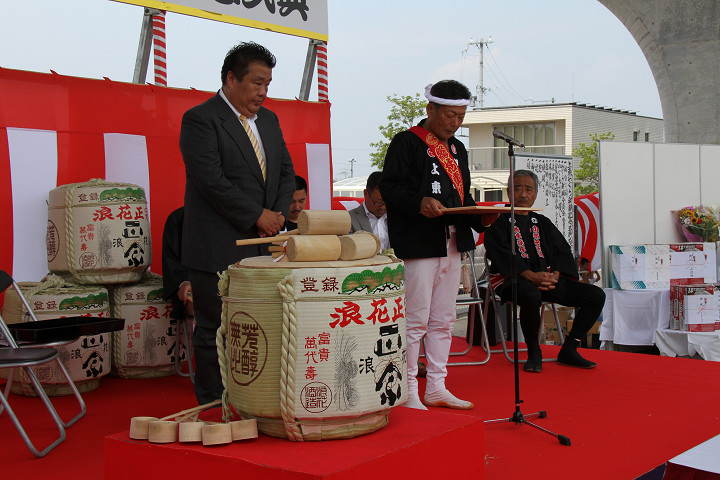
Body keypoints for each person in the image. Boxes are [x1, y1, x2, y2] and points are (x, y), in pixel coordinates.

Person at [179, 42, 296, 404]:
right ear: (231, 79)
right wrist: (257, 216)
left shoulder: (270, 120)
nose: (263, 92)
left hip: (264, 247)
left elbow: (286, 172)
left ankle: (254, 402)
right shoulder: (201, 119)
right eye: (257, 83)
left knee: (259, 328)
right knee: (215, 329)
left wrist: (276, 217)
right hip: (217, 246)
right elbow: (210, 180)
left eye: (268, 85)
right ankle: (214, 405)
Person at [381, 80, 498, 410]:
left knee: (444, 319)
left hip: (452, 242)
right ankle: (407, 389)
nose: (455, 123)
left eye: (461, 117)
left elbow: (463, 197)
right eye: (449, 115)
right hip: (419, 243)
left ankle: (436, 385)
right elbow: (390, 188)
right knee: (415, 318)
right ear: (430, 109)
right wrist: (419, 202)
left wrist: (482, 217)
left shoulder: (458, 149)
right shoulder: (407, 142)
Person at [484, 169, 605, 373]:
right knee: (530, 294)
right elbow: (500, 253)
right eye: (518, 189)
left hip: (546, 281)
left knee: (595, 295)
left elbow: (562, 250)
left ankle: (569, 349)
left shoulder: (542, 222)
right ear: (508, 192)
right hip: (512, 281)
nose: (523, 194)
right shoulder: (498, 222)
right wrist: (530, 276)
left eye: (528, 189)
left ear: (536, 193)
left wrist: (555, 275)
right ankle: (534, 352)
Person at [349, 171, 390, 249]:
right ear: (365, 194)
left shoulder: (398, 218)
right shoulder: (349, 219)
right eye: (378, 203)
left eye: (387, 202)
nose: (383, 207)